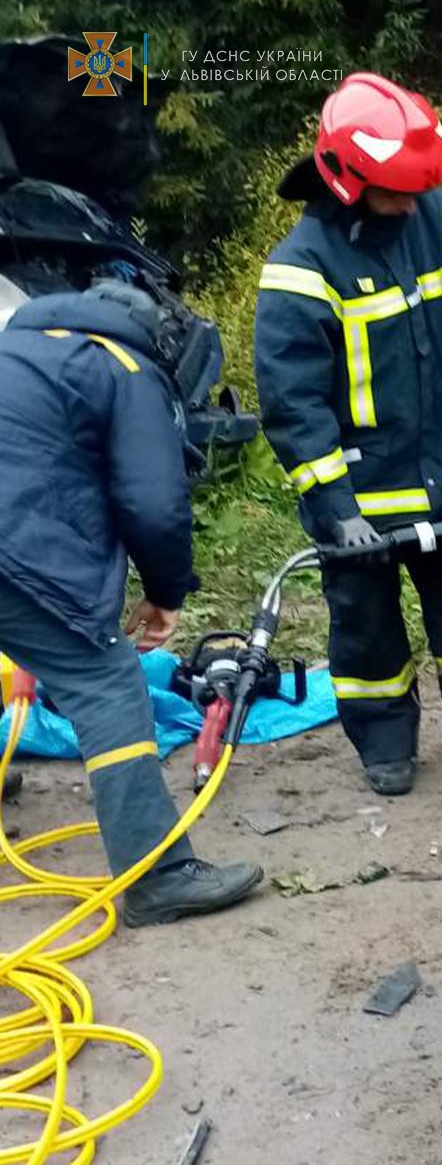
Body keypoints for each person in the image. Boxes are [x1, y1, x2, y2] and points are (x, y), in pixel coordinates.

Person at [254, 72, 442, 797]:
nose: (408, 204)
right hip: (361, 488)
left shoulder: (439, 217)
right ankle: (385, 744)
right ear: (344, 178)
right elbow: (293, 402)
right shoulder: (299, 270)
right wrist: (336, 506)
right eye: (395, 190)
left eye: (417, 189)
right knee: (365, 628)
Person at [0, 282, 263, 926]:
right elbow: (154, 500)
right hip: (15, 544)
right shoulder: (122, 365)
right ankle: (158, 874)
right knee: (105, 682)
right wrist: (167, 592)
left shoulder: (20, 352)